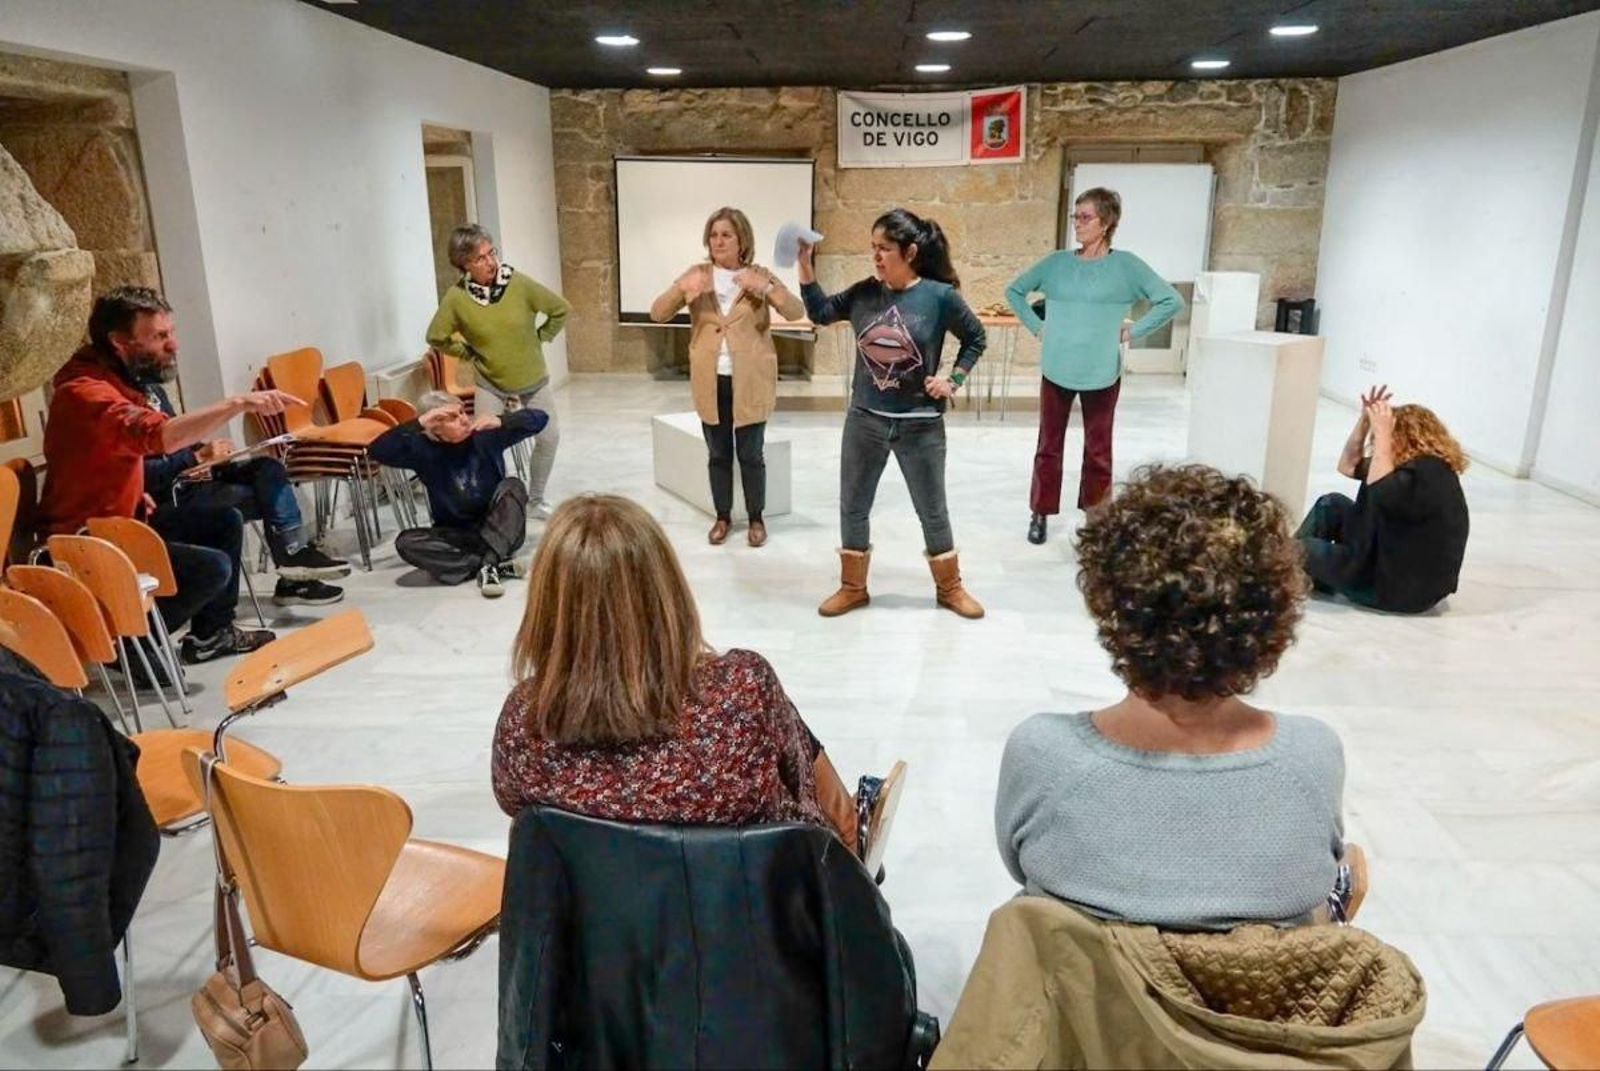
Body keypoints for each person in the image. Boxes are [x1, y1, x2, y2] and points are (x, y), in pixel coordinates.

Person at [996, 464, 1345, 931]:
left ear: (1109, 604)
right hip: (1254, 1003)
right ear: (1273, 617)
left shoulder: (1045, 755)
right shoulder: (1311, 757)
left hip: (1085, 1000)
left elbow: (1021, 866)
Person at [491, 494, 860, 845]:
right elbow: (801, 786)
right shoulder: (742, 687)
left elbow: (516, 808)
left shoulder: (524, 723)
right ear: (666, 592)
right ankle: (856, 836)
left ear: (545, 609)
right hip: (745, 906)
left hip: (602, 910)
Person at [38, 286, 301, 664]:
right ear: (119, 342)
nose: (173, 344)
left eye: (170, 332)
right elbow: (158, 437)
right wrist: (239, 402)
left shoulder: (121, 380)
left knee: (224, 521)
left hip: (127, 520)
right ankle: (125, 646)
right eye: (159, 336)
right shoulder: (86, 393)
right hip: (86, 540)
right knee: (210, 568)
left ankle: (211, 636)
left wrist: (134, 491)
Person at [797, 207, 987, 619]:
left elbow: (976, 337)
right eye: (873, 248)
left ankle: (950, 588)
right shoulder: (866, 292)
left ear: (911, 251)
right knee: (853, 505)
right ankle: (852, 587)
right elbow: (820, 313)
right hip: (865, 419)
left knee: (932, 510)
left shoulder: (939, 297)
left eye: (884, 248)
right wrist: (805, 269)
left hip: (920, 425)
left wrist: (953, 379)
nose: (877, 256)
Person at [1005, 187, 1184, 544]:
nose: (1078, 224)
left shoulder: (1126, 266)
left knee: (1098, 449)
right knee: (1048, 445)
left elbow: (1171, 300)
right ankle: (1039, 512)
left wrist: (1133, 332)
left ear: (1107, 223)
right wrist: (1038, 326)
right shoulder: (1057, 263)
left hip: (1102, 371)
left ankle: (1097, 516)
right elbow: (1015, 291)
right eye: (1076, 216)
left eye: (1085, 217)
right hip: (1057, 367)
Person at [650, 207, 805, 547]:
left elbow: (796, 311)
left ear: (741, 240)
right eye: (714, 234)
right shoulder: (697, 274)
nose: (718, 241)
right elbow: (658, 313)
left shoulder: (759, 274)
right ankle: (722, 517)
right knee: (718, 453)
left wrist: (765, 288)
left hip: (750, 379)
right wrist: (681, 289)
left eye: (726, 235)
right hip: (711, 378)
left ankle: (756, 518)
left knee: (751, 454)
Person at [143, 385, 349, 609]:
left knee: (268, 469)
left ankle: (294, 555)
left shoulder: (153, 391)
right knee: (263, 500)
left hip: (197, 475)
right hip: (172, 494)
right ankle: (293, 572)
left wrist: (212, 452)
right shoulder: (118, 412)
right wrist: (195, 458)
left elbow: (181, 442)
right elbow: (144, 475)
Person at [426, 224, 570, 518]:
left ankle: (536, 499)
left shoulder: (517, 283)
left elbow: (560, 309)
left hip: (533, 377)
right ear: (464, 263)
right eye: (481, 258)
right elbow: (436, 336)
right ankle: (493, 503)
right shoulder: (457, 298)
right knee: (483, 444)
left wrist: (540, 338)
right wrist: (467, 353)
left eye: (492, 252)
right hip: (490, 381)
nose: (491, 262)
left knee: (549, 436)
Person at [1298, 387, 1470, 613]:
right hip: (1388, 563)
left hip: (1397, 589)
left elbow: (1382, 491)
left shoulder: (1429, 473)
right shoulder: (1410, 466)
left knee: (1299, 549)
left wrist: (1382, 434)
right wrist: (1364, 421)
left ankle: (1274, 574)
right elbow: (1347, 466)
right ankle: (1307, 576)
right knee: (1332, 504)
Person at [368, 391, 545, 598]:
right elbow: (377, 450)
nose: (463, 419)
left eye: (462, 412)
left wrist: (501, 420)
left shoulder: (484, 436)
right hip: (458, 535)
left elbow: (540, 419)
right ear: (435, 427)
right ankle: (493, 565)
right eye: (452, 417)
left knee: (513, 485)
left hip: (502, 530)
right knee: (406, 542)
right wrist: (420, 422)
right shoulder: (422, 450)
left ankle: (484, 563)